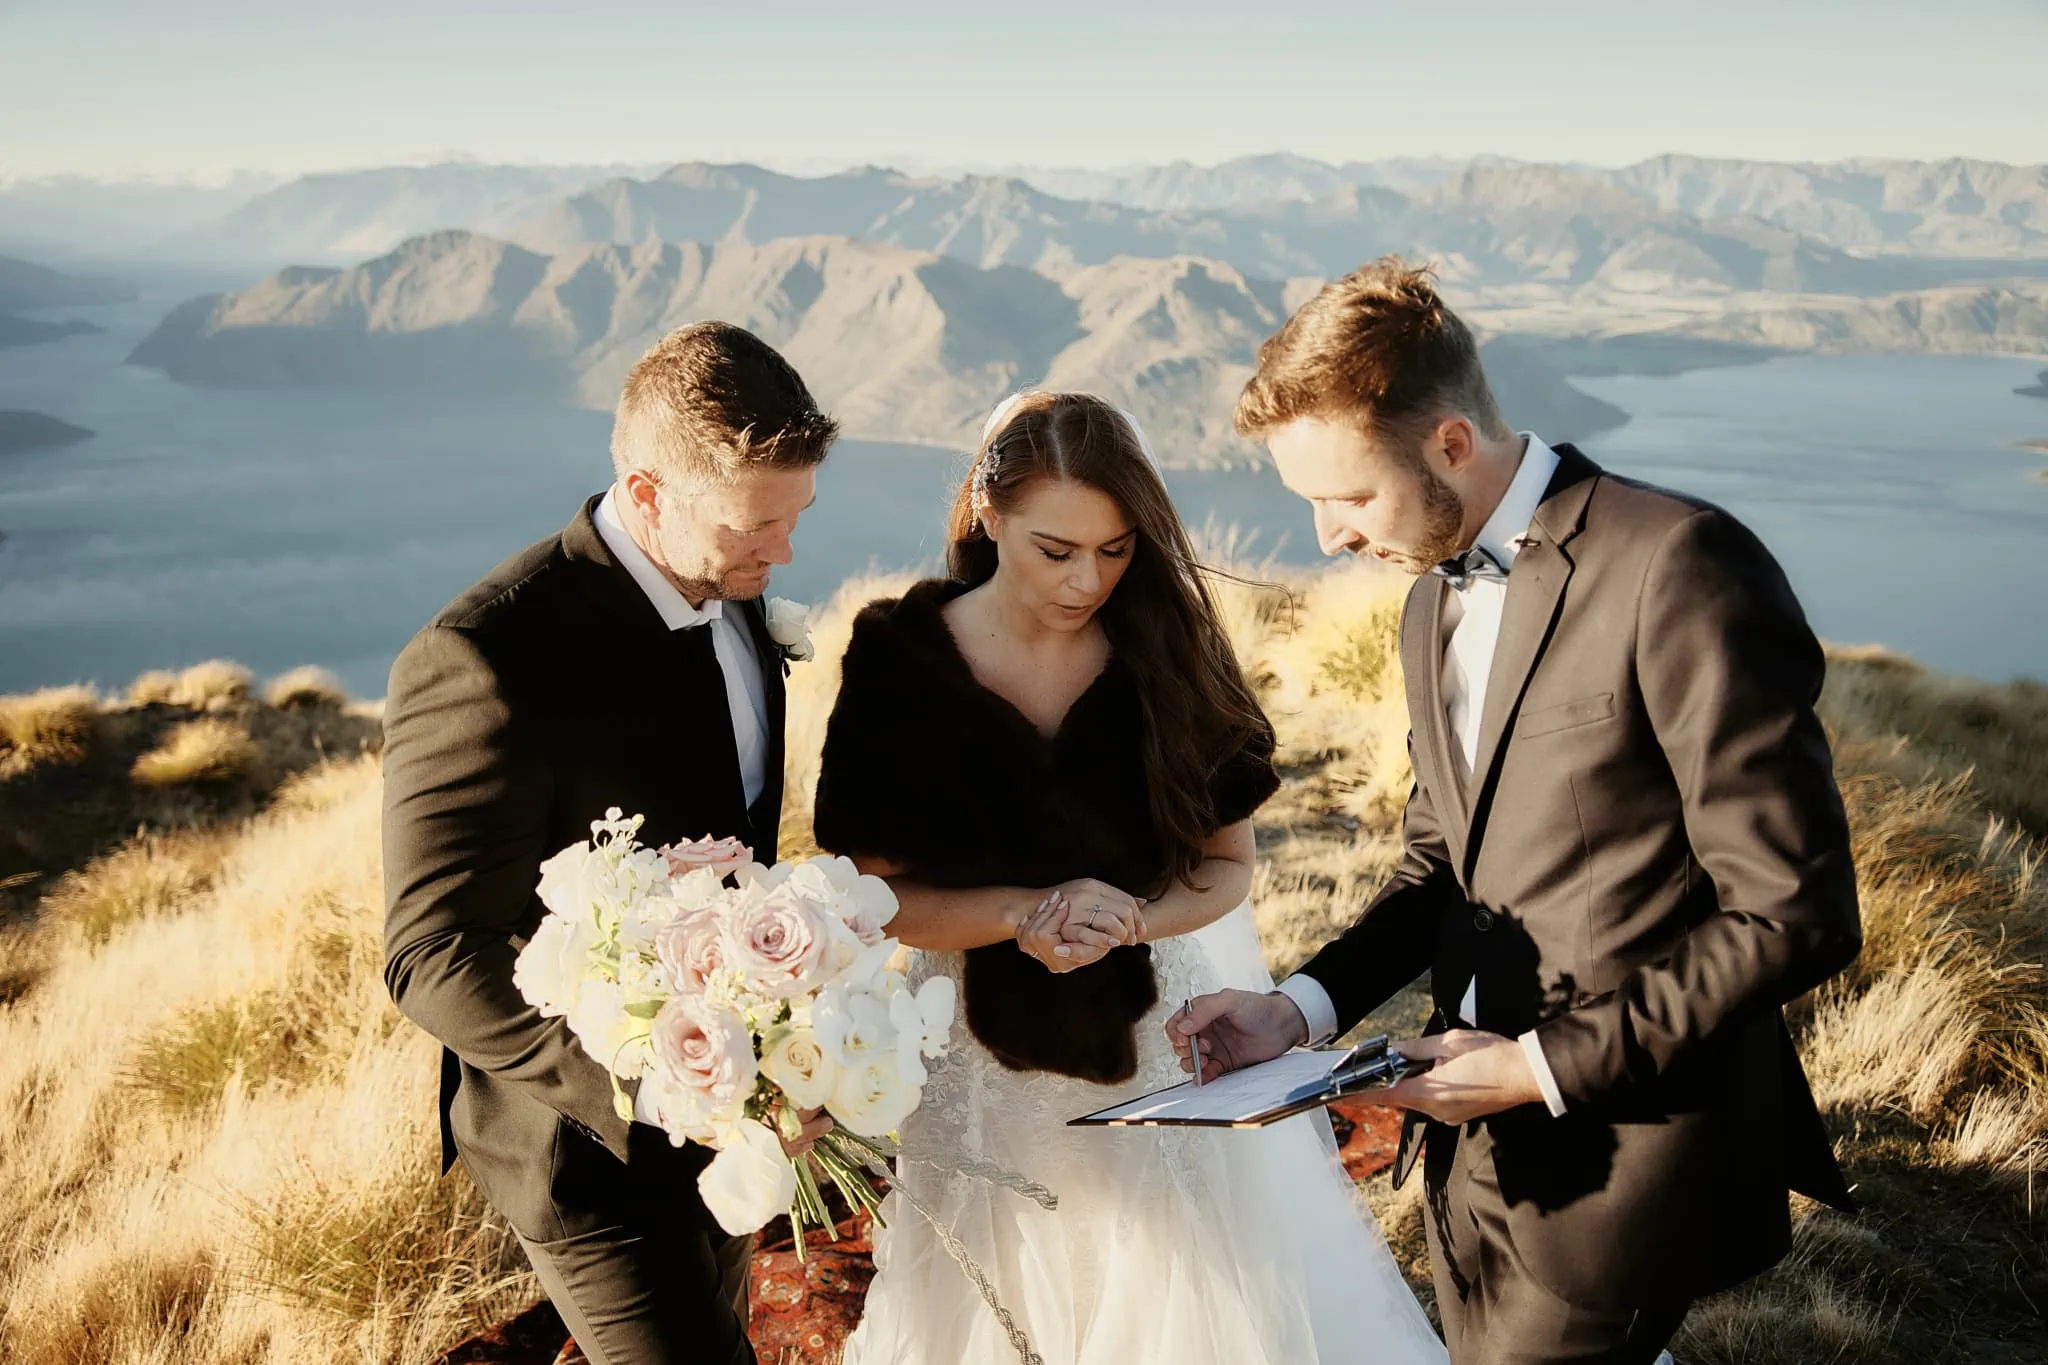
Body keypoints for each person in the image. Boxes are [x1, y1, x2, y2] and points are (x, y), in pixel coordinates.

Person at [1172, 258, 1862, 1365]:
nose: (1327, 537)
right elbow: (1440, 862)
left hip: (1626, 1151)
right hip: (1463, 1151)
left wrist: (1538, 1068)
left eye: (1349, 497)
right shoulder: (1422, 608)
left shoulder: (1676, 564)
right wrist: (1297, 1011)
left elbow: (1794, 914)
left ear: (1450, 442)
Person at [814, 391, 1447, 1365]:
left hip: (1161, 1038)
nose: (1085, 582)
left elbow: (1226, 867)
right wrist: (1021, 914)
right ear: (986, 512)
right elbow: (874, 895)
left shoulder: (1169, 655)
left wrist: (1133, 921)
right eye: (1053, 549)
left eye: (1113, 551)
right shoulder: (897, 659)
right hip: (973, 1051)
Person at [382, 322, 838, 1365]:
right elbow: (430, 955)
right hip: (583, 1145)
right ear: (645, 497)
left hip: (732, 1132)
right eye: (753, 525)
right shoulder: (486, 659)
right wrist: (661, 1093)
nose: (783, 552)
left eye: (796, 516)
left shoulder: (737, 602)